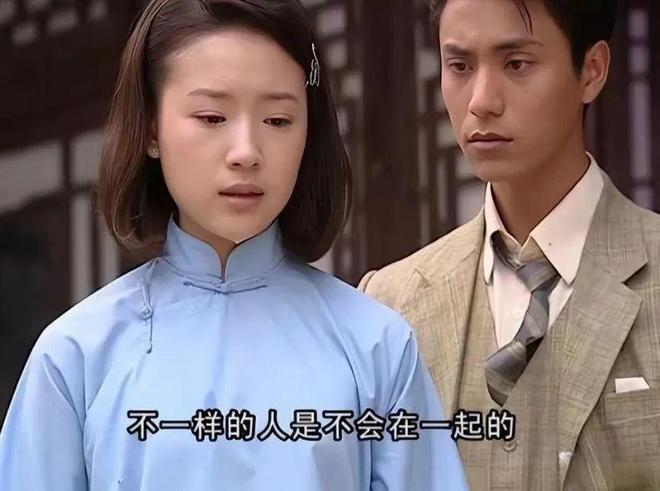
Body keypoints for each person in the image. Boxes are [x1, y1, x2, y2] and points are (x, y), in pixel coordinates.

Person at [0, 1, 469, 489]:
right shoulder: (75, 356)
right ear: (152, 128)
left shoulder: (376, 346)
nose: (246, 152)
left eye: (278, 120)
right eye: (212, 117)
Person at [360, 0, 660, 489]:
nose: (481, 101)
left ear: (592, 69)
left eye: (517, 64)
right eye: (460, 66)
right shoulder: (390, 304)